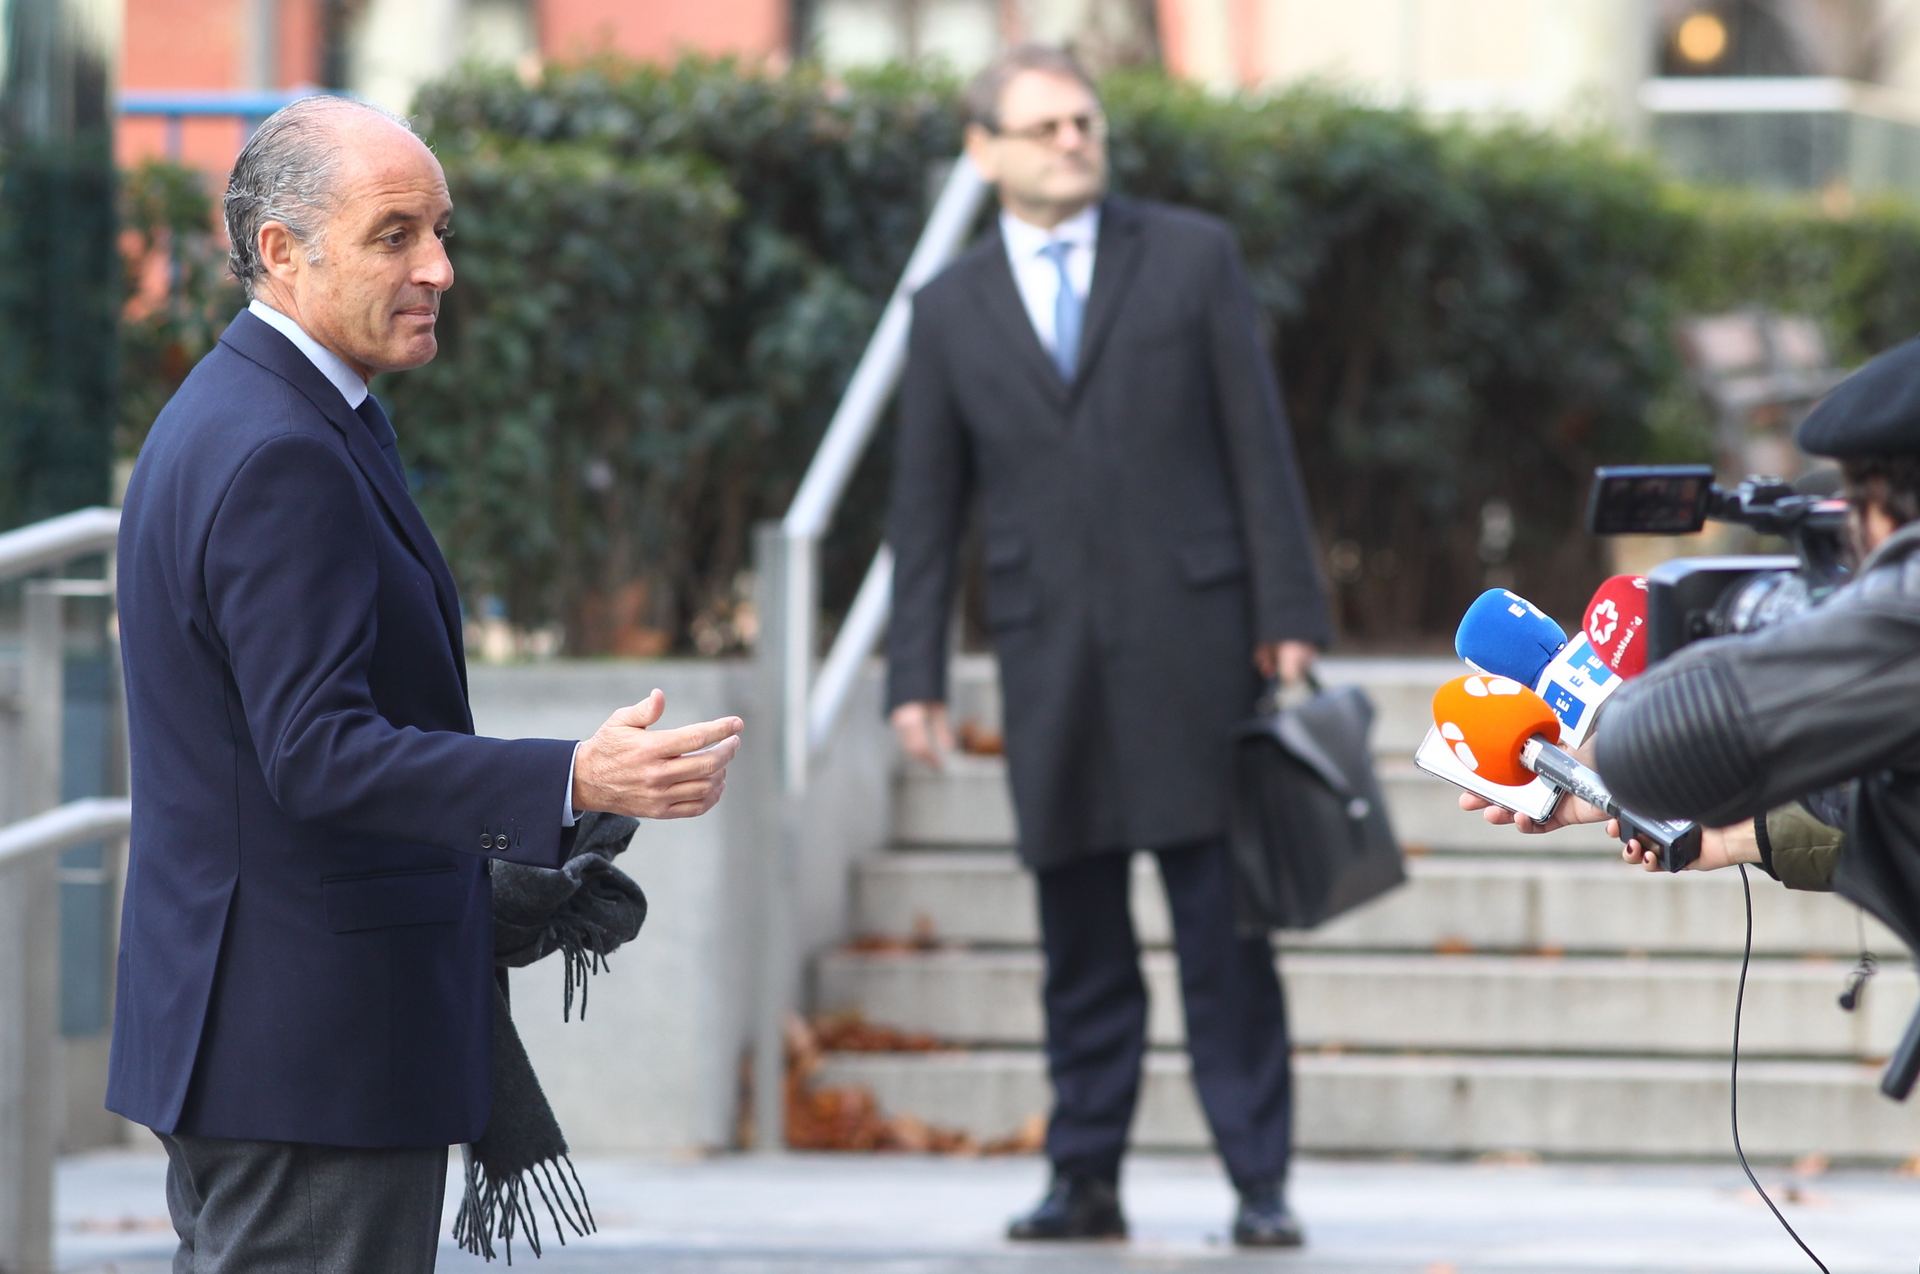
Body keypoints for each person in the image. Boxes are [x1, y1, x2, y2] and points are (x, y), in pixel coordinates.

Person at [110, 96, 742, 1272]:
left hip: (273, 1028)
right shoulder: (280, 445)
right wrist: (571, 774)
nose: (438, 267)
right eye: (395, 234)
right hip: (309, 1045)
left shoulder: (264, 410)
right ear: (281, 251)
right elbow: (317, 750)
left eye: (441, 230)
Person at [885, 44, 1330, 1248]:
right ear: (985, 153)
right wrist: (913, 674)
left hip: (1203, 643)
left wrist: (1290, 612)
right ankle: (1083, 1174)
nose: (1074, 140)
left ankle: (1259, 1182)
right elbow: (925, 510)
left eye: (1084, 121)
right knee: (1078, 941)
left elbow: (1258, 446)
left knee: (1222, 937)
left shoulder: (1191, 257)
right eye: (1043, 127)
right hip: (1051, 663)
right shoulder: (947, 307)